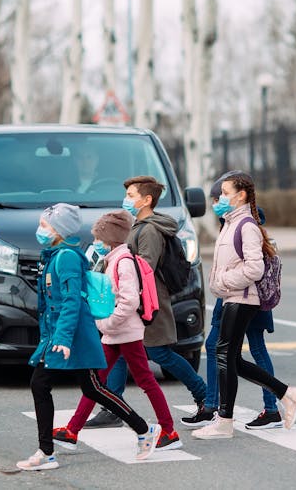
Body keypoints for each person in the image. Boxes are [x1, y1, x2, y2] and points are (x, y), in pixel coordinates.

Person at [16, 203, 161, 470]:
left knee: (52, 384)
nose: (40, 230)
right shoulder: (54, 256)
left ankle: (47, 452)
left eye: (45, 225)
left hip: (73, 336)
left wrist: (63, 337)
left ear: (59, 230)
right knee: (90, 387)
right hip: (61, 335)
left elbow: (72, 301)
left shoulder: (66, 258)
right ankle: (142, 429)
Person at [84, 176, 208, 434]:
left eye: (131, 195)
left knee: (160, 354)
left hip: (148, 302)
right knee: (118, 349)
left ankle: (204, 395)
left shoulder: (149, 230)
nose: (126, 199)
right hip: (137, 302)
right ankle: (112, 406)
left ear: (146, 199)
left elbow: (144, 268)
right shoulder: (139, 225)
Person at [51, 210, 183, 452]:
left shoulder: (123, 263)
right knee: (97, 383)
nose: (96, 243)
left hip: (125, 332)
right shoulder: (114, 259)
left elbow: (129, 302)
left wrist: (106, 324)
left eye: (99, 239)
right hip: (116, 332)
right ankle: (72, 430)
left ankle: (169, 431)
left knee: (144, 381)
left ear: (110, 238)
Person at [192, 173, 296, 440]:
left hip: (243, 299)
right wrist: (220, 283)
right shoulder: (230, 224)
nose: (219, 199)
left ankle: (225, 421)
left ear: (241, 195)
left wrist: (223, 281)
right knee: (230, 358)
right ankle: (286, 394)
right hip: (233, 297)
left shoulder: (246, 226)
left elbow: (255, 268)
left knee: (224, 355)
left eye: (225, 193)